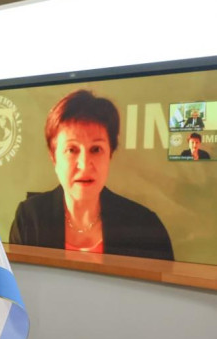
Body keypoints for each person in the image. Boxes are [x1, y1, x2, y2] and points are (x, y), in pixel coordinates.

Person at [9, 90, 174, 260]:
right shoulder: (30, 219)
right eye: (71, 150)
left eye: (96, 149)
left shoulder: (146, 227)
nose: (84, 164)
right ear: (53, 157)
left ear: (110, 154)